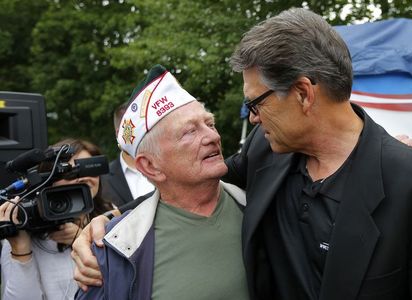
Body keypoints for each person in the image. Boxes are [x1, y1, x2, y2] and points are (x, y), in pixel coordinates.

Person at [72, 8, 412, 300]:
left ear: (303, 93)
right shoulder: (265, 151)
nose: (252, 117)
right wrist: (107, 222)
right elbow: (185, 187)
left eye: (256, 103)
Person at [74, 65, 249, 299]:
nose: (213, 137)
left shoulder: (261, 205)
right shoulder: (114, 249)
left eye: (210, 123)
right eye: (190, 132)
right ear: (151, 166)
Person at [0, 138, 114, 300]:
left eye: (89, 170)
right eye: (70, 172)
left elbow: (129, 279)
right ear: (48, 180)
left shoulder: (112, 214)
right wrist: (21, 249)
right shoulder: (23, 226)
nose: (82, 178)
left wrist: (85, 239)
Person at [101, 102, 155, 207]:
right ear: (119, 134)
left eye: (144, 127)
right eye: (134, 129)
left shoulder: (167, 167)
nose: (142, 133)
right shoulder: (103, 180)